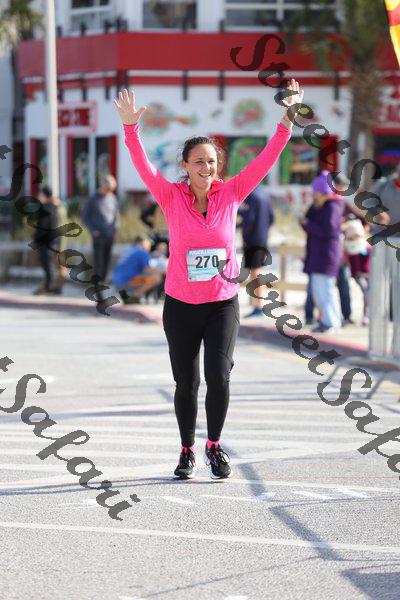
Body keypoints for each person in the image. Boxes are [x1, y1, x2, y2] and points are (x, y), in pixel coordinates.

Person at [114, 81, 303, 479]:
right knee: (187, 382)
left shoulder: (232, 193)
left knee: (219, 377)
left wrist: (288, 118)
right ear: (185, 166)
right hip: (181, 305)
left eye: (212, 161)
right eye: (198, 161)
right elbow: (143, 164)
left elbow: (267, 158)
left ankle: (214, 446)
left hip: (221, 303)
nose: (207, 167)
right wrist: (131, 129)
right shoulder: (170, 196)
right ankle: (186, 451)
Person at [301, 170, 344, 333]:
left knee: (326, 290)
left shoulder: (333, 206)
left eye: (316, 191)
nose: (313, 194)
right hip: (317, 254)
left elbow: (330, 230)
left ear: (323, 191)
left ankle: (332, 322)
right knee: (318, 290)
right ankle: (326, 320)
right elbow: (310, 220)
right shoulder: (320, 206)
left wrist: (308, 225)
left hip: (327, 255)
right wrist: (307, 223)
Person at [81, 174, 119, 301]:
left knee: (106, 265)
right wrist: (93, 230)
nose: (108, 191)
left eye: (110, 189)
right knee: (99, 265)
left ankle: (102, 288)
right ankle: (98, 294)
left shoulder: (112, 198)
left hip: (109, 236)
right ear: (102, 185)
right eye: (107, 188)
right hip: (98, 237)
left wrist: (115, 229)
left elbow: (116, 216)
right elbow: (85, 217)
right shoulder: (93, 198)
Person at [239, 184, 275, 318]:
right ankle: (259, 305)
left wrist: (237, 224)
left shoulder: (251, 194)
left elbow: (250, 218)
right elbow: (272, 217)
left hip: (252, 239)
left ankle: (259, 306)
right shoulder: (264, 193)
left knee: (255, 272)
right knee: (257, 271)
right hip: (263, 238)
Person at [113, 236, 163, 303]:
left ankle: (130, 296)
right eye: (148, 243)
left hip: (117, 284)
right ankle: (134, 297)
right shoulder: (141, 251)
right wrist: (164, 271)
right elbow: (148, 270)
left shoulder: (129, 250)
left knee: (145, 275)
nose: (150, 246)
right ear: (143, 243)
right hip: (128, 283)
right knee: (156, 277)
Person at [32, 186, 60, 295]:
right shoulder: (54, 207)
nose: (39, 196)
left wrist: (37, 240)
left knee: (47, 265)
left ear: (44, 195)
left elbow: (42, 227)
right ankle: (50, 286)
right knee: (49, 265)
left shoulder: (45, 209)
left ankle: (49, 287)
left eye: (40, 194)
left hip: (46, 242)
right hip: (52, 241)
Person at [343, 217, 370, 325]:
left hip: (368, 273)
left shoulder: (366, 246)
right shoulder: (348, 247)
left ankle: (367, 315)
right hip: (358, 274)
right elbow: (350, 262)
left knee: (369, 293)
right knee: (366, 291)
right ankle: (366, 316)